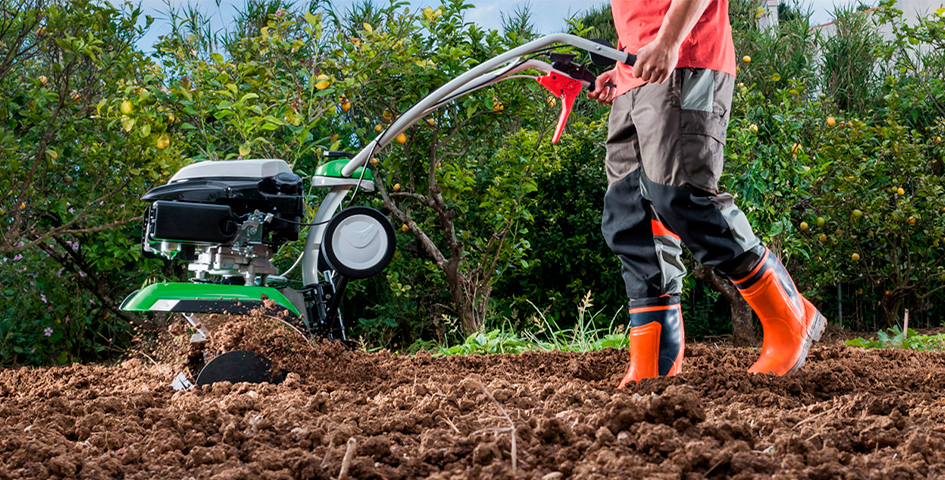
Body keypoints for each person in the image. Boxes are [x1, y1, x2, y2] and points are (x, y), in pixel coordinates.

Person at [587, 0, 825, 389]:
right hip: (635, 73)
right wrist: (620, 70)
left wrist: (668, 41)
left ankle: (790, 314)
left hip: (687, 60)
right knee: (628, 212)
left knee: (681, 196)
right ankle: (655, 362)